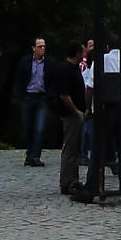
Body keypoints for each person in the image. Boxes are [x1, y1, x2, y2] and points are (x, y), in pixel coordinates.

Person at [80, 36, 121, 203]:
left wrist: (88, 108)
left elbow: (90, 87)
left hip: (106, 108)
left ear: (108, 47)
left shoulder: (101, 61)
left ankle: (92, 188)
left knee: (99, 149)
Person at [52, 41, 89, 195]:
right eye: (83, 51)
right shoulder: (65, 69)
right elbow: (64, 94)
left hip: (76, 113)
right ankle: (67, 182)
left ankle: (73, 180)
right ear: (77, 54)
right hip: (71, 114)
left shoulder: (73, 68)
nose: (85, 54)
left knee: (74, 147)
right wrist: (76, 111)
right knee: (70, 148)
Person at [11, 36, 51, 165]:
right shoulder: (25, 62)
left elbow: (53, 80)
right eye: (40, 46)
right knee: (28, 127)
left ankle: (35, 156)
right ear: (34, 48)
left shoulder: (49, 63)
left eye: (44, 46)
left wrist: (49, 96)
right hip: (28, 97)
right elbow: (19, 79)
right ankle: (30, 153)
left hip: (42, 97)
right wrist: (21, 95)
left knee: (40, 128)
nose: (42, 49)